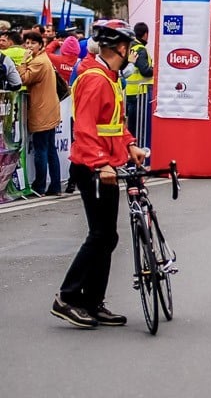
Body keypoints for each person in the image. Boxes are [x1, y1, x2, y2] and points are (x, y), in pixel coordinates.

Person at [51, 19, 147, 329]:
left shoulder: (108, 75)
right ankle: (67, 298)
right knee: (100, 234)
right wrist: (101, 164)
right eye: (129, 47)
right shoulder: (95, 79)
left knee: (108, 235)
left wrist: (130, 144)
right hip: (93, 167)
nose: (131, 52)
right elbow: (85, 128)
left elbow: (113, 124)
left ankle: (92, 301)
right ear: (120, 47)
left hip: (106, 162)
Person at [17, 31, 62, 196]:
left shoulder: (38, 62)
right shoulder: (43, 59)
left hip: (42, 110)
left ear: (40, 45)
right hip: (50, 109)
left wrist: (22, 62)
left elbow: (23, 78)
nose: (28, 46)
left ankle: (40, 186)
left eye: (32, 43)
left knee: (42, 150)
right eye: (27, 43)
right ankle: (55, 186)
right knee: (50, 149)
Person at [124, 22, 154, 151]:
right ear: (146, 34)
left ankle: (131, 156)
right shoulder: (140, 49)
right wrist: (156, 68)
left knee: (132, 128)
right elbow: (145, 70)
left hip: (131, 93)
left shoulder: (130, 47)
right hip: (140, 94)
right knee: (140, 129)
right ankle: (139, 156)